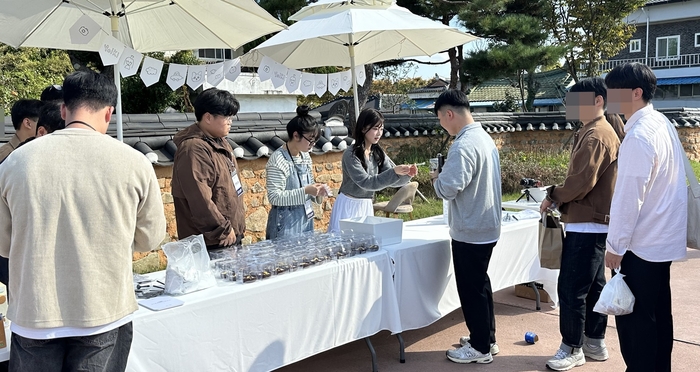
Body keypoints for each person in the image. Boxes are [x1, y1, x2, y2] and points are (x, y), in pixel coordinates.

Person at [0, 70, 166, 372]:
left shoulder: (16, 162)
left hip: (35, 311)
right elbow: (150, 238)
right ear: (109, 112)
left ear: (64, 110)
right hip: (103, 308)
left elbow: (4, 244)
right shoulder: (134, 162)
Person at [604, 62, 687, 372]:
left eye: (614, 90)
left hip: (640, 243)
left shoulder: (638, 135)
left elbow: (628, 197)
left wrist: (615, 245)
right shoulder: (661, 122)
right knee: (658, 316)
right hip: (661, 238)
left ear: (635, 93)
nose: (609, 95)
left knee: (635, 321)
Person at [539, 77, 623, 371]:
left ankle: (572, 347)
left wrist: (553, 195)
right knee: (594, 286)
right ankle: (593, 342)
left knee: (572, 287)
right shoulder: (596, 131)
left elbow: (580, 183)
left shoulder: (596, 134)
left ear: (598, 101)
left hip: (587, 222)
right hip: (595, 221)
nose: (570, 107)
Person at [430, 89, 502, 364]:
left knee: (471, 289)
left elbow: (448, 188)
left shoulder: (462, 145)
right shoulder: (483, 138)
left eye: (440, 118)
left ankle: (480, 348)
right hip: (486, 225)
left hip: (471, 229)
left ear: (449, 114)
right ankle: (486, 338)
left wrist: (437, 177)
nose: (441, 125)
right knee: (481, 285)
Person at [171, 88, 246, 251]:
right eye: (226, 116)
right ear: (208, 117)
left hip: (228, 235)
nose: (230, 121)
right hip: (211, 241)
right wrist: (222, 229)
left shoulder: (220, 141)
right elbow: (199, 198)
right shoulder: (193, 148)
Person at [327, 108, 416, 233]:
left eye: (381, 128)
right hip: (348, 204)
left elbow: (390, 180)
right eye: (375, 128)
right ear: (363, 129)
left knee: (365, 246)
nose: (379, 133)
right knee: (344, 246)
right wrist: (394, 172)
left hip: (366, 204)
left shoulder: (378, 153)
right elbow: (367, 183)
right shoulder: (351, 154)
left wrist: (406, 175)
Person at [265, 106, 330, 240]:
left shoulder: (305, 156)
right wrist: (306, 191)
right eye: (310, 140)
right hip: (284, 224)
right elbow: (274, 197)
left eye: (315, 140)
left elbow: (309, 185)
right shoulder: (278, 159)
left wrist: (317, 191)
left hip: (305, 219)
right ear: (296, 135)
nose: (312, 144)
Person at [0, 99, 43, 163]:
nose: (45, 127)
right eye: (42, 122)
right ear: (27, 123)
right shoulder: (5, 156)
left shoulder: (35, 150)